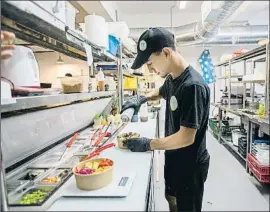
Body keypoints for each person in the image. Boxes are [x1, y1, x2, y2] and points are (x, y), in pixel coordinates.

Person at [126, 27, 210, 212]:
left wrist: (149, 144)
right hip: (173, 159)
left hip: (189, 169)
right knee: (172, 202)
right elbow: (162, 91)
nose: (150, 69)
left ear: (166, 53)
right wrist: (142, 98)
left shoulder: (192, 86)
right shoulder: (173, 78)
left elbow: (186, 137)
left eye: (150, 62)